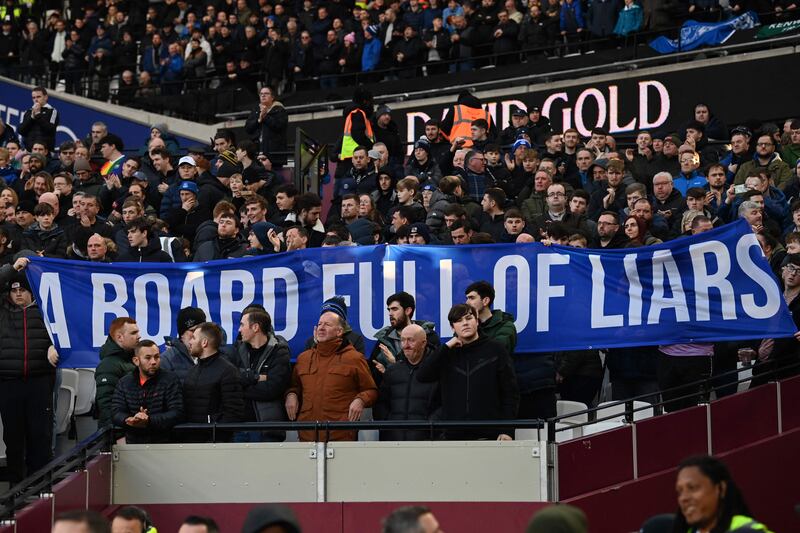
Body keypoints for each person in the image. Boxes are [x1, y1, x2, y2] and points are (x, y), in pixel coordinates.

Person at [417, 304, 518, 440]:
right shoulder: (447, 353)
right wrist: (446, 347)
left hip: (490, 435)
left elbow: (510, 393)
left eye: (469, 318)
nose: (465, 323)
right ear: (452, 327)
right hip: (452, 436)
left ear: (477, 321)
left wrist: (507, 430)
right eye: (458, 321)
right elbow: (423, 375)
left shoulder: (496, 349)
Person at [0, 256, 57, 483]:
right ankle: (16, 486)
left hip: (39, 380)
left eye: (23, 290)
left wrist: (55, 346)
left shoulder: (47, 311)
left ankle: (40, 485)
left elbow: (63, 334)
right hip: (8, 382)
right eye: (14, 290)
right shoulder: (2, 311)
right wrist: (12, 269)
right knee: (13, 437)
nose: (18, 294)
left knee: (40, 436)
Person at [285, 310, 378, 441]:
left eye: (327, 325)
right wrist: (291, 395)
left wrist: (360, 400)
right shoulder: (304, 358)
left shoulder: (354, 358)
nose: (321, 328)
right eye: (319, 324)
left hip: (341, 436)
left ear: (339, 332)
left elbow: (371, 390)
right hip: (307, 436)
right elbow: (294, 386)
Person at [229, 309, 292, 442]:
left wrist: (242, 387)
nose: (239, 329)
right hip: (239, 428)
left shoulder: (279, 352)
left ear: (255, 327)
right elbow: (230, 381)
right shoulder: (236, 350)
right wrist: (257, 378)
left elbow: (273, 388)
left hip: (268, 429)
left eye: (242, 325)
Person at [374, 324, 441, 441]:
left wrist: (429, 427)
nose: (405, 345)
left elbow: (443, 405)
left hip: (427, 441)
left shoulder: (436, 371)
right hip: (394, 441)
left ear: (423, 343)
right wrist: (387, 425)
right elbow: (381, 403)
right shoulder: (393, 371)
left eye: (411, 340)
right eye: (403, 340)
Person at [673, 455, 772, 533]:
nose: (683, 498)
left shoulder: (748, 530)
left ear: (721, 488)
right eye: (679, 491)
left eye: (693, 488)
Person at [183, 322, 245, 441]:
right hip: (190, 441)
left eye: (194, 338)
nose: (190, 342)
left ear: (204, 342)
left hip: (216, 444)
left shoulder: (228, 371)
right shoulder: (192, 371)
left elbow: (234, 413)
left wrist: (211, 426)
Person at [112, 340, 183, 444]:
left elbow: (177, 413)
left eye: (157, 357)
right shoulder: (124, 383)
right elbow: (115, 412)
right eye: (148, 358)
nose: (154, 362)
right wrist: (130, 419)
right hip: (134, 445)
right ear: (136, 361)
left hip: (165, 444)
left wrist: (148, 420)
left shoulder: (170, 380)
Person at [370, 291, 440, 377]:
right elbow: (374, 372)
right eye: (389, 310)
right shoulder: (384, 339)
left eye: (395, 309)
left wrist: (395, 363)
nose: (390, 314)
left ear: (408, 311)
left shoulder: (428, 336)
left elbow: (433, 369)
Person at [96, 317, 141, 428]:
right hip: (119, 433)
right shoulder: (108, 365)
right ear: (119, 337)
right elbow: (106, 406)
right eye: (133, 333)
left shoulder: (133, 359)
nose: (139, 336)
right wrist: (117, 434)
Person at [464, 280, 517, 355]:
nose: (467, 303)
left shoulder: (506, 326)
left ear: (485, 301)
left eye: (472, 298)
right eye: (467, 298)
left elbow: (495, 351)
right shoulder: (466, 324)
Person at [244, 85, 288, 168]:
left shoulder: (279, 110)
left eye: (266, 93)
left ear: (272, 97)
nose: (263, 95)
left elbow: (279, 126)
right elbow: (248, 128)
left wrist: (265, 116)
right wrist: (258, 120)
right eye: (261, 94)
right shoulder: (255, 110)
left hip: (273, 155)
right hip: (256, 153)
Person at [161, 307, 207, 382]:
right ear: (182, 334)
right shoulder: (167, 360)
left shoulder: (214, 355)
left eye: (202, 329)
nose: (198, 334)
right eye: (193, 330)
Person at [18, 86, 59, 150]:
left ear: (45, 97)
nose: (36, 100)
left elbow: (50, 129)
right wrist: (32, 118)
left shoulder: (52, 111)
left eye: (38, 97)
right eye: (33, 98)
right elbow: (20, 130)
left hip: (44, 151)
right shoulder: (28, 112)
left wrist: (38, 115)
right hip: (29, 150)